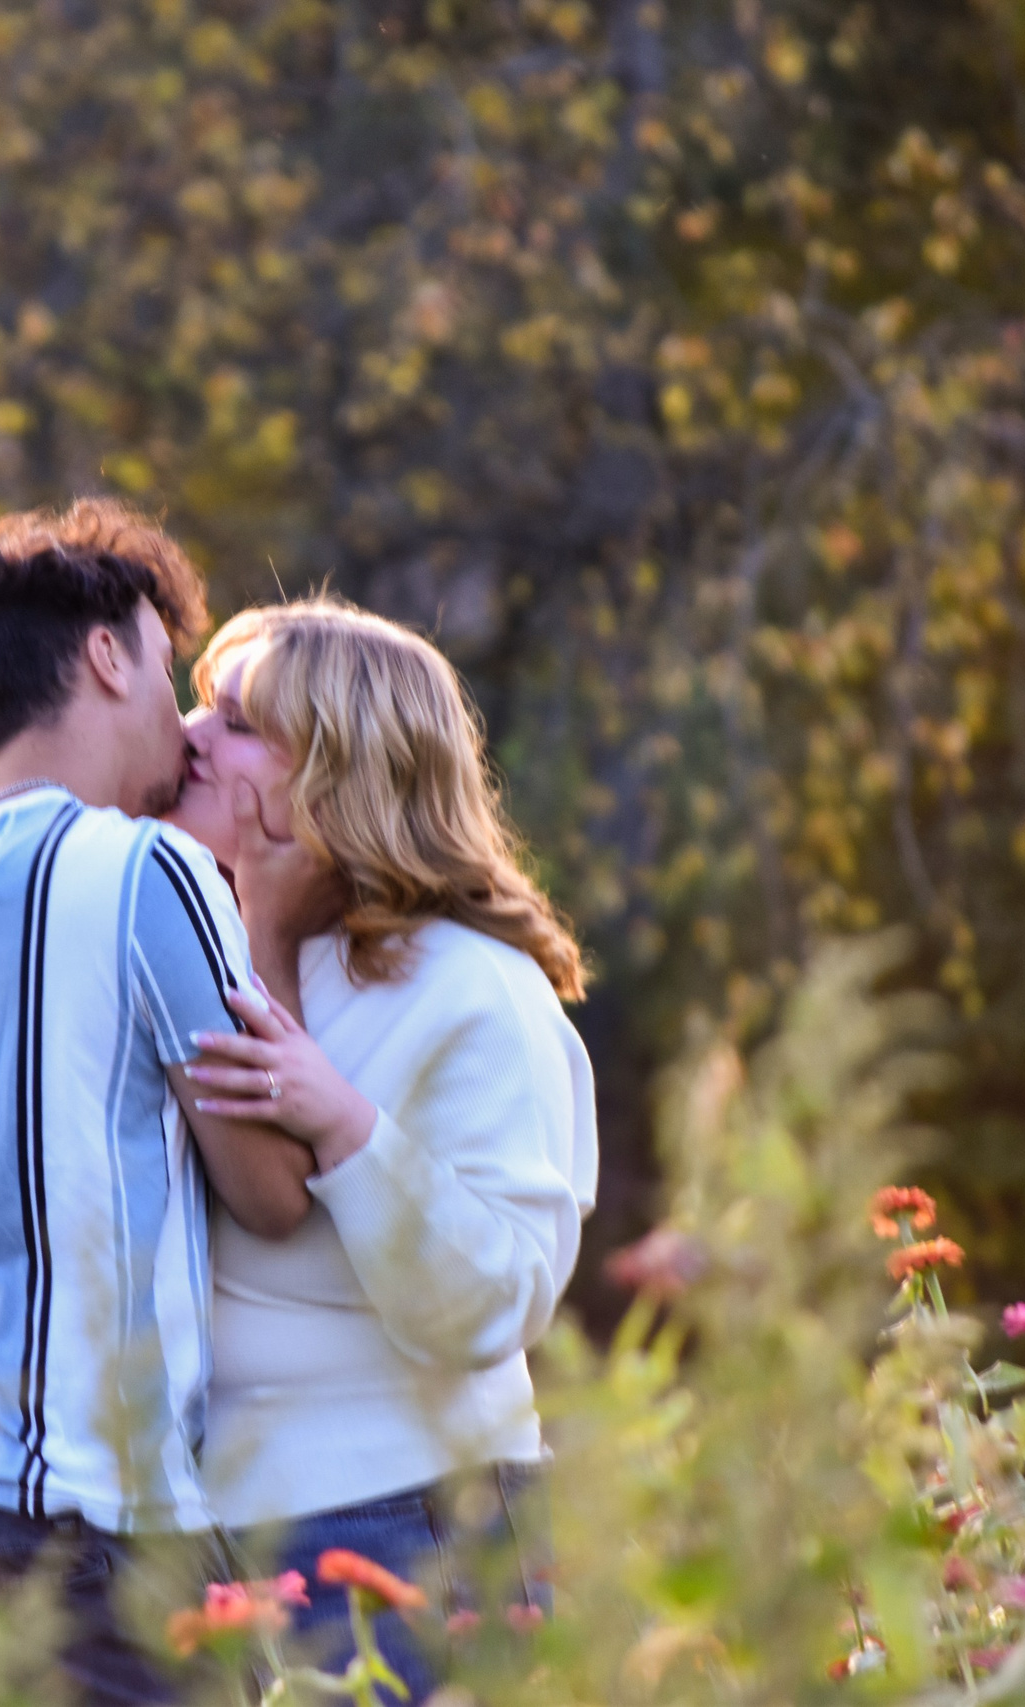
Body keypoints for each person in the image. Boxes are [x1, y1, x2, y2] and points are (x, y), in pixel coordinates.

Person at [0, 501, 316, 1705]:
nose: (184, 727)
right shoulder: (147, 872)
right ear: (104, 652)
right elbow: (273, 1195)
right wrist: (274, 927)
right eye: (169, 670)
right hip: (82, 1518)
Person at [163, 596, 597, 1700]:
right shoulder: (201, 947)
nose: (187, 735)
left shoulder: (475, 990)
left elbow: (499, 1303)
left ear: (341, 772)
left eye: (235, 720)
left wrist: (347, 1127)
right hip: (224, 1530)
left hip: (412, 1518)